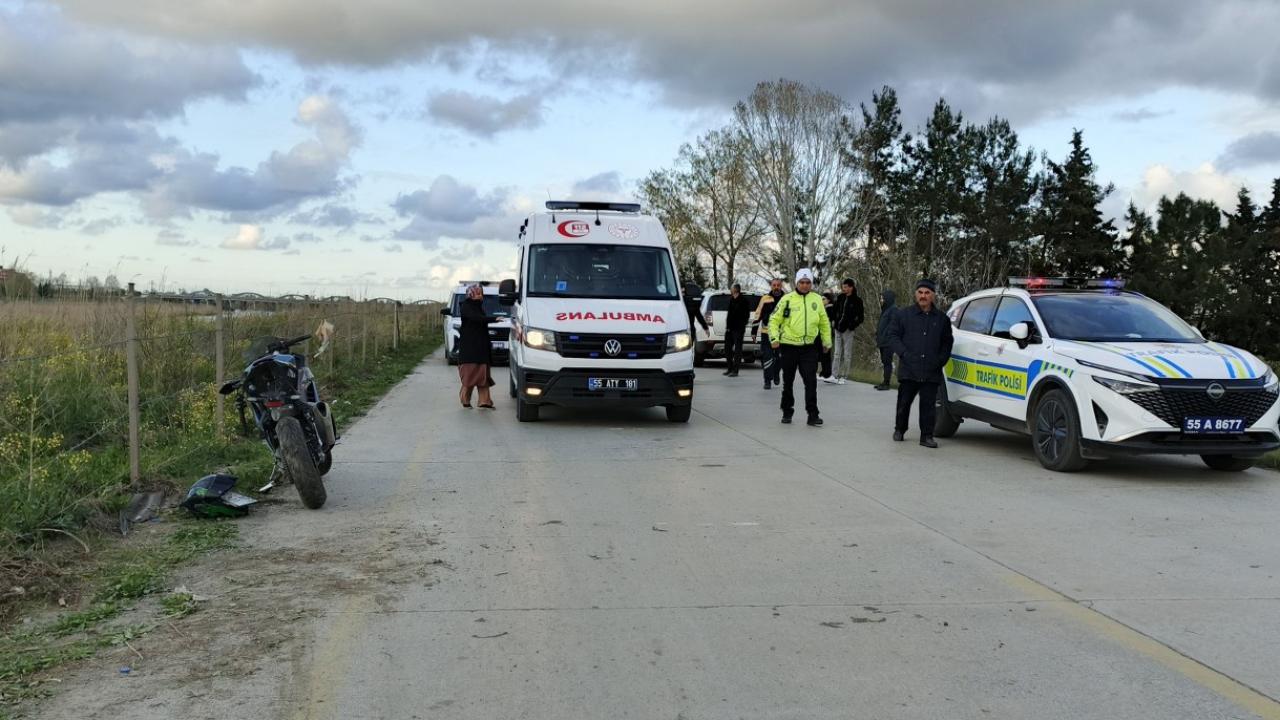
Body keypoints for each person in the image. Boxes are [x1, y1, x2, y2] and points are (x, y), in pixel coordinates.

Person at [888, 279, 953, 448]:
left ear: (933, 295)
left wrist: (940, 361)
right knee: (904, 402)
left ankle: (927, 436)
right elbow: (893, 337)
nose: (923, 296)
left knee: (928, 406)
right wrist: (904, 354)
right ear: (915, 294)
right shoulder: (903, 315)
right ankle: (899, 429)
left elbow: (947, 343)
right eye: (920, 292)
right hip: (909, 368)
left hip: (931, 370)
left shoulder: (942, 319)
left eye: (927, 293)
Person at [769, 268, 832, 427]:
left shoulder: (817, 300)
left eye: (808, 282)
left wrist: (826, 342)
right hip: (789, 346)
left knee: (811, 381)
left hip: (809, 348)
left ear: (811, 283)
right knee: (788, 381)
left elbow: (824, 323)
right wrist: (774, 338)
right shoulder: (787, 299)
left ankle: (813, 414)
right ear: (797, 283)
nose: (805, 285)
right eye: (802, 282)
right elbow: (774, 321)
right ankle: (787, 411)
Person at [457, 284, 497, 409]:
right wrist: (494, 319)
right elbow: (477, 318)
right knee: (470, 376)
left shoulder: (478, 307)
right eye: (478, 293)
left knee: (483, 376)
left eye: (481, 293)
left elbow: (480, 319)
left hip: (481, 348)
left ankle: (484, 401)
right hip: (470, 349)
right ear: (471, 294)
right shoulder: (466, 306)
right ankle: (465, 400)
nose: (480, 296)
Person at [830, 278, 865, 384]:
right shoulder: (840, 297)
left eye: (846, 287)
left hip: (848, 331)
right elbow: (834, 310)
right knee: (836, 353)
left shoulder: (857, 301)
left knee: (847, 354)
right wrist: (833, 321)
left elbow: (861, 317)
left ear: (851, 287)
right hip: (837, 329)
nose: (843, 289)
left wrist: (852, 325)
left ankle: (845, 375)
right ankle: (834, 375)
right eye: (843, 287)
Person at [754, 278, 785, 389]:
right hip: (766, 333)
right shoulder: (765, 299)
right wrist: (754, 331)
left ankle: (776, 374)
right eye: (774, 285)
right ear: (771, 286)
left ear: (781, 286)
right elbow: (758, 314)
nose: (776, 287)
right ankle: (767, 381)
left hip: (782, 334)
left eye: (778, 285)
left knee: (779, 358)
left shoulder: (787, 299)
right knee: (767, 357)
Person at [722, 283, 750, 377]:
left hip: (738, 329)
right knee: (727, 348)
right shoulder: (731, 300)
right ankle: (729, 368)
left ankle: (735, 370)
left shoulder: (744, 301)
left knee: (737, 350)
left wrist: (742, 324)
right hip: (729, 328)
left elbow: (746, 315)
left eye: (731, 288)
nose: (730, 290)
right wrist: (728, 326)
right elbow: (729, 314)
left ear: (736, 290)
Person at [874, 289, 898, 391]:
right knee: (885, 362)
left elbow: (893, 326)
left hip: (888, 342)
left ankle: (886, 384)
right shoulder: (886, 309)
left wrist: (887, 337)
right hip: (883, 341)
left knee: (887, 362)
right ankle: (884, 382)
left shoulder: (894, 310)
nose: (881, 300)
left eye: (883, 298)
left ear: (888, 298)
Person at [817, 292, 836, 383]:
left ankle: (826, 373)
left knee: (826, 353)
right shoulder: (824, 309)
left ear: (828, 300)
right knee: (823, 353)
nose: (822, 300)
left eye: (824, 299)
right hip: (823, 333)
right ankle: (824, 372)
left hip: (827, 334)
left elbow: (829, 322)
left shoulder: (830, 309)